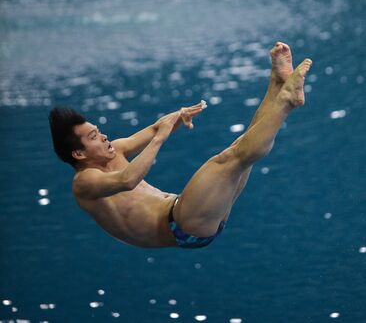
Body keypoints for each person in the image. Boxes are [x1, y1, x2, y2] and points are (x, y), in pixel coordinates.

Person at [49, 42, 312, 249]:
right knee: (228, 158)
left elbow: (154, 128)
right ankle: (287, 101)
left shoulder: (116, 149)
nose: (104, 137)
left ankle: (276, 84)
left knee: (242, 152)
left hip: (195, 213)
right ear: (79, 153)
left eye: (99, 131)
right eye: (94, 137)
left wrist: (177, 117)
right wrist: (160, 137)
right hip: (181, 226)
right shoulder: (85, 182)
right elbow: (128, 179)